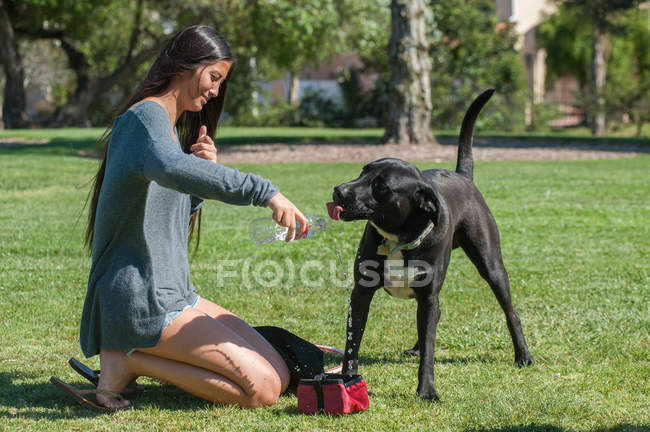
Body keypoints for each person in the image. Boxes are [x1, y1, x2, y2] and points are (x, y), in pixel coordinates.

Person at [51, 25, 309, 412]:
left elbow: (167, 216)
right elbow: (170, 168)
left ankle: (132, 359)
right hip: (141, 298)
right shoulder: (144, 120)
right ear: (186, 66)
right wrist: (265, 191)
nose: (215, 91)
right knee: (262, 390)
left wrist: (200, 179)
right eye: (214, 77)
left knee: (278, 371)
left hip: (176, 293)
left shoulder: (165, 132)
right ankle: (127, 359)